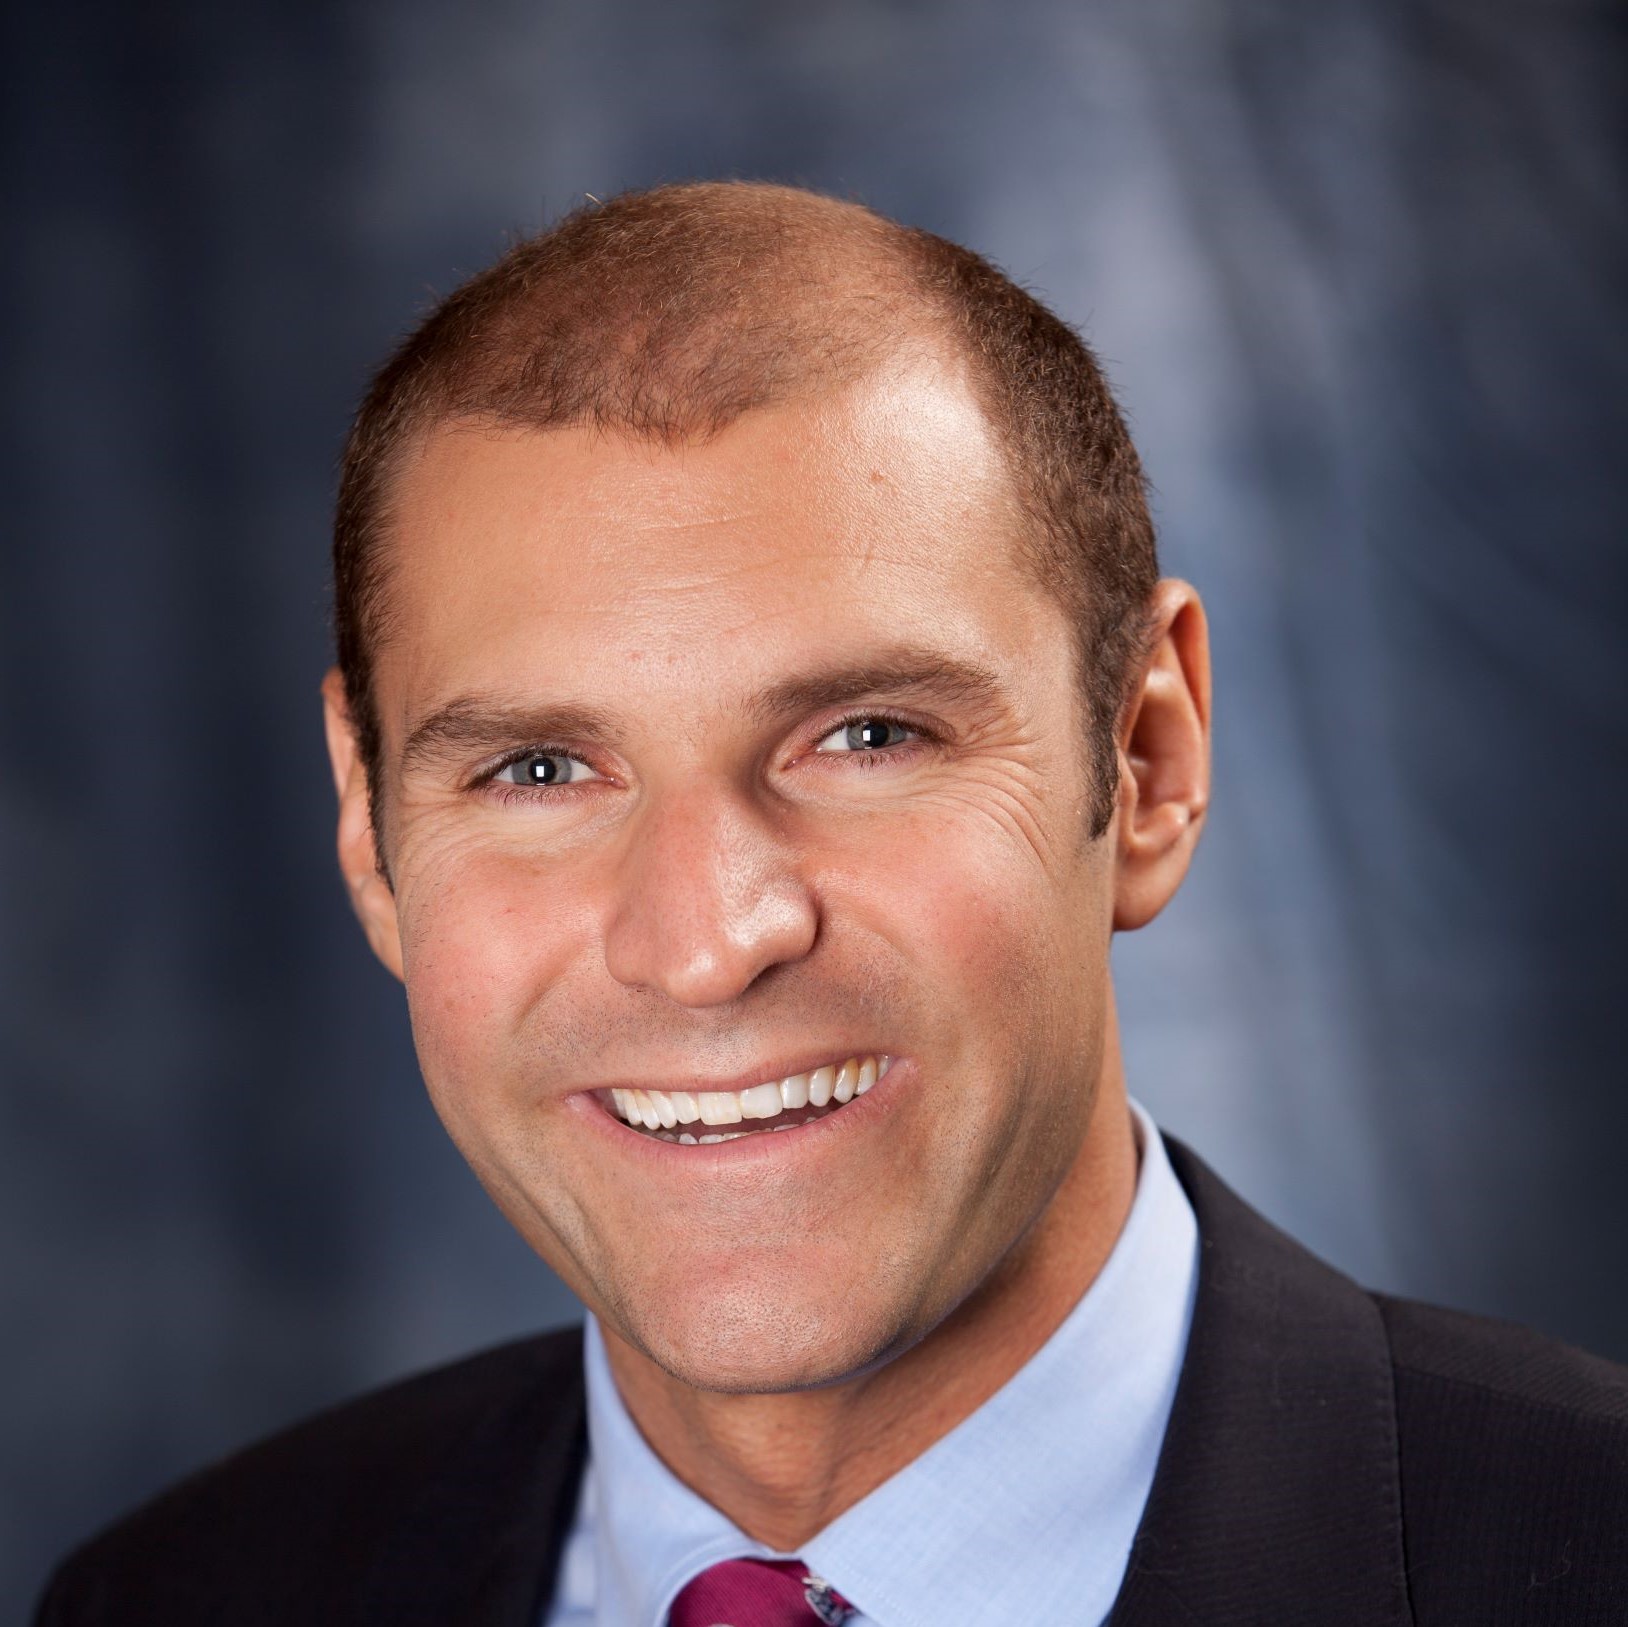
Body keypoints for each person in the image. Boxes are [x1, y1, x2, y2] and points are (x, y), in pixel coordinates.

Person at [36, 182, 1627, 1626]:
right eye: (537, 770)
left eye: (868, 738)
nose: (704, 945)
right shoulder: (175, 1600)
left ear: (1148, 759)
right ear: (371, 833)